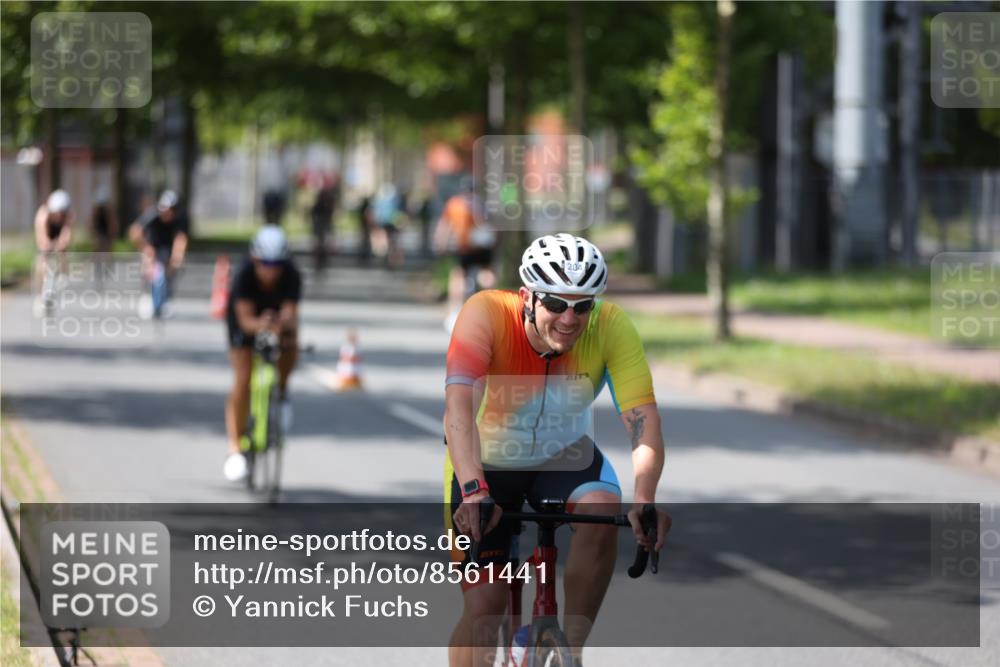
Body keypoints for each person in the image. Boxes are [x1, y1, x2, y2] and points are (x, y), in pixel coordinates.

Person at [443, 233, 671, 667]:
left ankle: (571, 651)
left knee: (605, 508)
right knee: (484, 612)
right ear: (527, 297)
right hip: (486, 461)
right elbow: (457, 410)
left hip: (563, 453)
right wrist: (473, 489)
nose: (570, 318)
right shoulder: (486, 313)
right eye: (555, 304)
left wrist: (645, 497)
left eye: (583, 305)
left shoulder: (612, 325)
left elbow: (642, 418)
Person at [223, 226, 302, 482]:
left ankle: (282, 391)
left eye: (277, 263)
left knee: (291, 343)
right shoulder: (244, 275)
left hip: (276, 318)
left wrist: (280, 325)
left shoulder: (292, 274)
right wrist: (262, 324)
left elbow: (291, 314)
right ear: (255, 259)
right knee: (243, 379)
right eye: (265, 263)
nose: (271, 269)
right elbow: (245, 321)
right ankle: (235, 450)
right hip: (245, 323)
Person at [434, 178, 496, 330]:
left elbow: (445, 226)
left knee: (458, 276)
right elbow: (489, 225)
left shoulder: (454, 204)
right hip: (482, 245)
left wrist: (441, 244)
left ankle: (455, 310)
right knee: (486, 274)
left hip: (462, 246)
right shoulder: (481, 203)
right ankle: (492, 307)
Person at [129, 190, 188, 319]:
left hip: (167, 249)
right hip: (152, 248)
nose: (168, 213)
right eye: (166, 209)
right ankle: (147, 297)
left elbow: (181, 238)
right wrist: (145, 247)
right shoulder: (152, 214)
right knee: (151, 271)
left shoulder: (180, 218)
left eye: (172, 210)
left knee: (170, 273)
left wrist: (177, 256)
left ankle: (166, 300)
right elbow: (134, 231)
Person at [33, 189, 74, 316]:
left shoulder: (69, 215)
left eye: (62, 213)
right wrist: (46, 245)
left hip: (58, 235)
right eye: (58, 213)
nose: (60, 215)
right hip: (47, 233)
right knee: (42, 259)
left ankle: (63, 274)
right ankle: (40, 294)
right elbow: (42, 238)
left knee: (62, 251)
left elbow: (66, 235)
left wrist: (61, 244)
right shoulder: (43, 215)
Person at [372, 182, 404, 269]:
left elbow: (374, 213)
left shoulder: (379, 201)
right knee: (393, 242)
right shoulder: (395, 200)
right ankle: (391, 259)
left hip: (385, 223)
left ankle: (389, 257)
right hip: (391, 223)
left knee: (389, 242)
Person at [91, 187, 117, 253]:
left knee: (106, 249)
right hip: (99, 233)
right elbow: (91, 224)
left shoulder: (109, 212)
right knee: (98, 248)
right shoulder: (96, 213)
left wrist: (110, 238)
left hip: (106, 234)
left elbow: (112, 225)